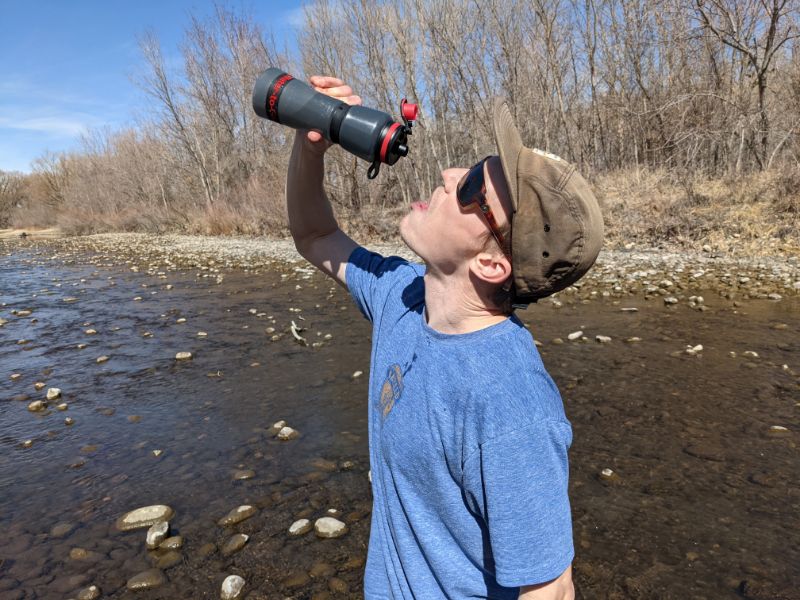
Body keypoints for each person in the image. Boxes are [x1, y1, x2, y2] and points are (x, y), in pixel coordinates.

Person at [286, 75, 603, 600]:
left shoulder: (509, 401)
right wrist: (310, 143)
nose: (450, 173)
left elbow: (551, 590)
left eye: (474, 184)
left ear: (492, 262)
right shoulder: (402, 297)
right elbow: (314, 235)